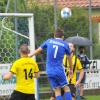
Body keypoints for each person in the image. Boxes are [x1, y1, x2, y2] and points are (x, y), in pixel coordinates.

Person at [29, 29, 73, 100]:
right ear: (63, 37)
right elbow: (69, 57)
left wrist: (29, 55)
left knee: (57, 90)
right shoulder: (65, 44)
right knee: (66, 88)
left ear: (54, 35)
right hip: (59, 70)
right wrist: (71, 69)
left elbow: (38, 50)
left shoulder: (49, 41)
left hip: (49, 71)